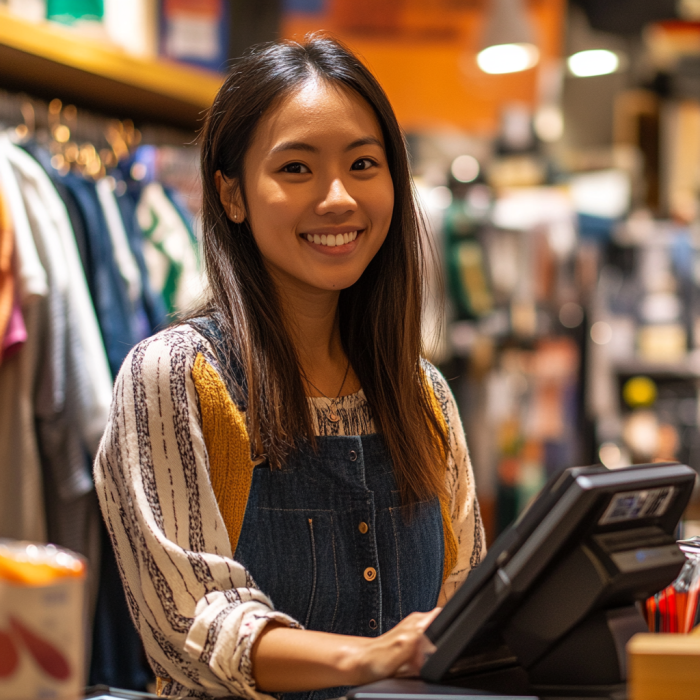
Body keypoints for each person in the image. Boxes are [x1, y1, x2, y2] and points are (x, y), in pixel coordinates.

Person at [94, 34, 485, 700]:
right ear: (231, 195)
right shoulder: (177, 377)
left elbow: (462, 609)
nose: (338, 198)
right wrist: (372, 658)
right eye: (297, 169)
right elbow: (196, 627)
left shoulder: (424, 395)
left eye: (364, 163)